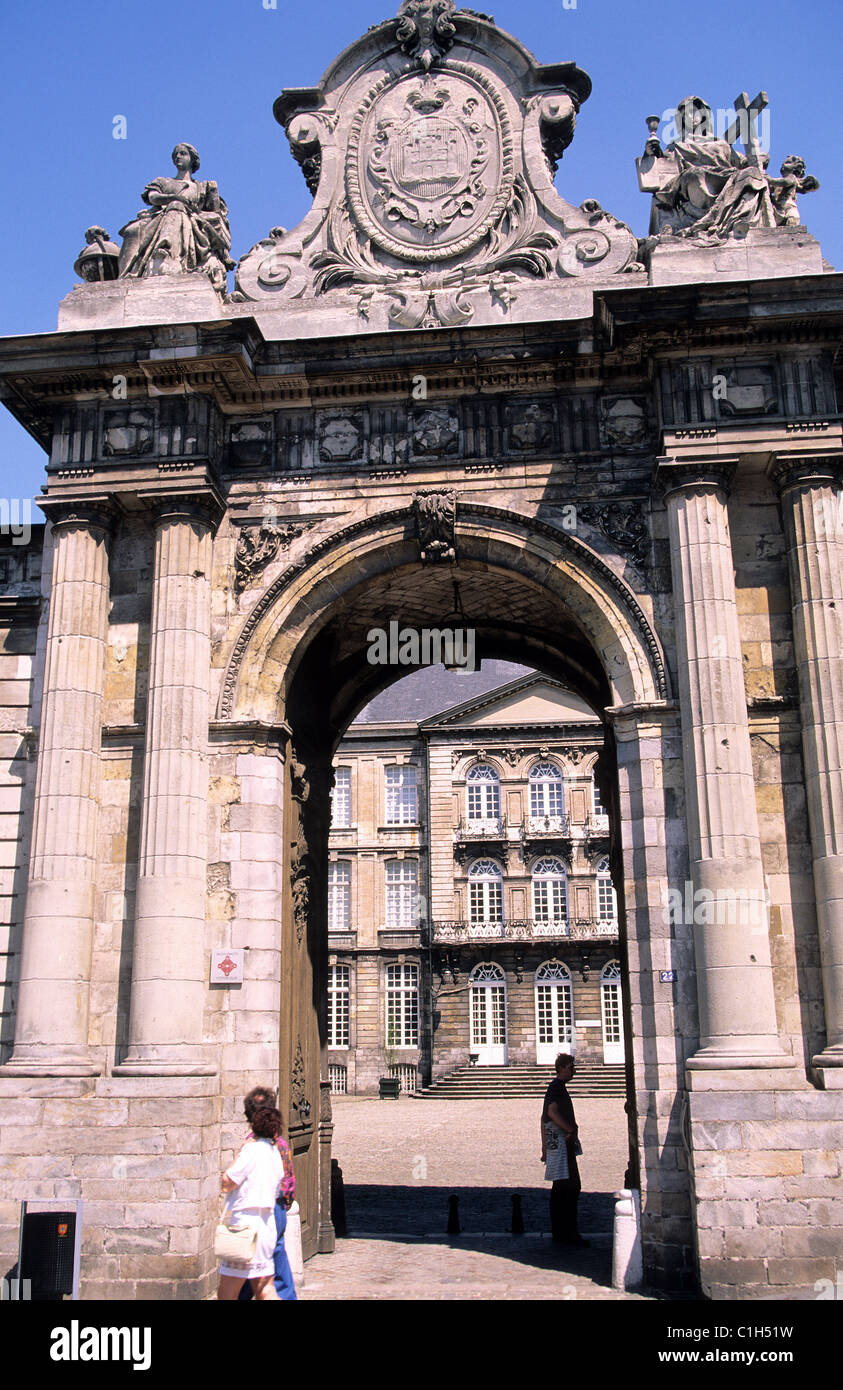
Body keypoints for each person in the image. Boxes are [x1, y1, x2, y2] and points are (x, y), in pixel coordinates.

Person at [117, 143, 235, 290]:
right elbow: (153, 197)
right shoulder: (163, 181)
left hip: (192, 220)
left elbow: (216, 213)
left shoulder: (201, 187)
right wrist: (174, 198)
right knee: (131, 232)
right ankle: (124, 279)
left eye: (182, 153)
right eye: (176, 154)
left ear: (192, 159)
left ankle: (166, 252)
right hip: (159, 216)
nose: (178, 157)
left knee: (176, 210)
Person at [217, 1103, 285, 1300]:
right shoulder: (275, 1154)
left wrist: (239, 1154)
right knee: (265, 1288)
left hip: (245, 1226)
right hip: (266, 1225)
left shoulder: (250, 1151)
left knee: (227, 1291)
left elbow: (227, 1182)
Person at [237, 1086, 297, 1302]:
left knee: (246, 1261)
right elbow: (289, 1178)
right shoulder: (279, 1143)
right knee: (277, 1258)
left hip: (257, 1210)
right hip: (278, 1206)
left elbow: (235, 1181)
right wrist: (286, 1202)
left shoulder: (251, 1144)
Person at [540, 1052, 588, 1248]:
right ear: (560, 1068)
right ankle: (568, 1233)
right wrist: (569, 1129)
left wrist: (543, 1147)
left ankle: (560, 1232)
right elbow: (551, 1112)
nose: (573, 1070)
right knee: (570, 1187)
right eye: (570, 1067)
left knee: (560, 1188)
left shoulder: (555, 1087)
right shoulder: (557, 1087)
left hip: (556, 1145)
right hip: (562, 1145)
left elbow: (542, 1118)